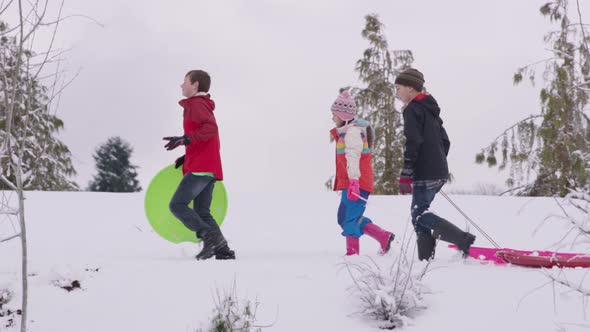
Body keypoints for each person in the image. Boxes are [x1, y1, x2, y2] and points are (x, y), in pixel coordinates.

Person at [395, 68, 475, 261]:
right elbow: (445, 141)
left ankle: (462, 239)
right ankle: (425, 258)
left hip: (425, 171)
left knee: (419, 214)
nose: (396, 93)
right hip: (438, 170)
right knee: (419, 215)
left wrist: (407, 172)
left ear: (411, 89)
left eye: (398, 88)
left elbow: (413, 142)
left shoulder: (412, 110)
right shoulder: (431, 111)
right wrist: (437, 162)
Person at [163, 69, 235, 260]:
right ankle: (222, 249)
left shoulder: (196, 105)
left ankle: (208, 236)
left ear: (195, 85)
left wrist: (186, 139)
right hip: (208, 166)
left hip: (201, 168)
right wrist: (187, 156)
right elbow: (205, 139)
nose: (181, 85)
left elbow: (210, 129)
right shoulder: (199, 105)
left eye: (184, 81)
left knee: (177, 205)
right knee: (202, 211)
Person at [330, 89, 395, 256]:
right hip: (351, 183)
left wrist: (354, 181)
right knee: (343, 218)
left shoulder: (352, 133)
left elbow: (353, 157)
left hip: (357, 183)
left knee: (350, 219)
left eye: (334, 114)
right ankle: (383, 236)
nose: (332, 118)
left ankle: (352, 255)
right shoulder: (347, 132)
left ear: (343, 116)